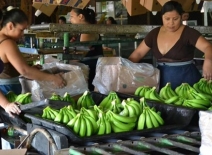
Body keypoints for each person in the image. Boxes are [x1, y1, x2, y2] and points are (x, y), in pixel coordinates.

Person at [128, 1, 212, 90]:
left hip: (187, 82)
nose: (171, 23)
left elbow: (208, 47)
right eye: (167, 19)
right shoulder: (154, 34)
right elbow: (138, 54)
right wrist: (125, 68)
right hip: (161, 81)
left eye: (175, 19)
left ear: (181, 17)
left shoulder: (189, 33)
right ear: (162, 17)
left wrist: (209, 61)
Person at [0, 6, 66, 95]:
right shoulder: (8, 43)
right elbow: (25, 71)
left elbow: (8, 69)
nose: (23, 34)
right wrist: (53, 78)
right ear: (10, 26)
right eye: (21, 30)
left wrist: (31, 69)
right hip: (7, 90)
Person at [70, 7, 103, 91]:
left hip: (92, 68)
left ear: (80, 16)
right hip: (90, 66)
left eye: (72, 17)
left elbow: (80, 53)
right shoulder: (85, 30)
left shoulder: (87, 31)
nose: (70, 20)